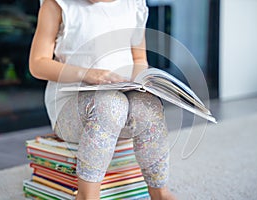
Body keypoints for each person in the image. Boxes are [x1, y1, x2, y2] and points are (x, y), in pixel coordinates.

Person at [29, 0, 176, 199]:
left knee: (148, 105)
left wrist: (141, 84)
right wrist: (86, 74)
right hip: (71, 109)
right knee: (110, 105)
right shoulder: (57, 5)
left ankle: (160, 192)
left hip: (122, 100)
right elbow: (37, 64)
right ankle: (87, 196)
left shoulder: (134, 5)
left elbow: (139, 59)